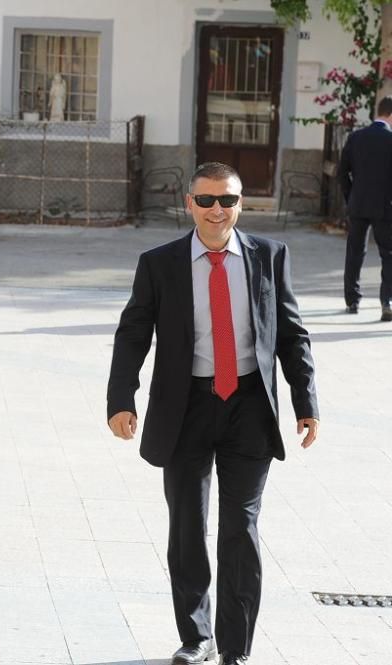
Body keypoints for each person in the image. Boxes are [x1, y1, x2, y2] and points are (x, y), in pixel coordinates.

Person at [106, 162, 319, 665]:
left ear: (241, 204)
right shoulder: (160, 263)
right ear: (189, 205)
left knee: (240, 527)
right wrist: (121, 400)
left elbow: (292, 334)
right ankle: (195, 635)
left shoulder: (270, 257)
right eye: (206, 200)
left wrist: (305, 402)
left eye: (227, 200)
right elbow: (133, 333)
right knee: (187, 523)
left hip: (249, 406)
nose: (217, 210)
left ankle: (235, 648)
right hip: (185, 408)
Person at [338, 95, 392, 321]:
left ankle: (352, 301)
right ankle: (386, 302)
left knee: (354, 252)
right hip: (385, 206)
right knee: (388, 255)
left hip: (358, 204)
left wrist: (351, 197)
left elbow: (342, 173)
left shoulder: (356, 137)